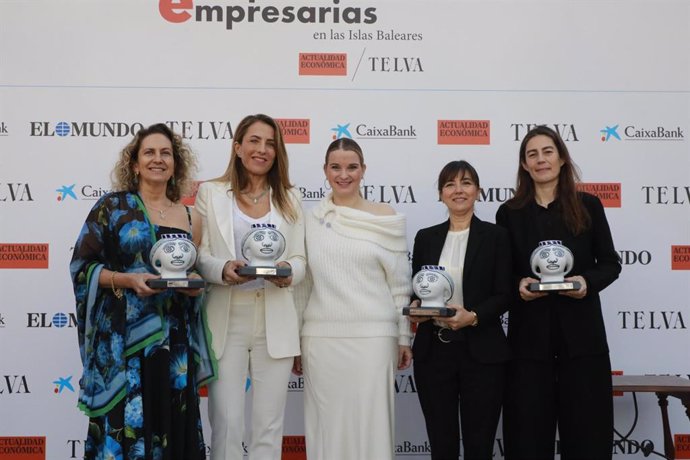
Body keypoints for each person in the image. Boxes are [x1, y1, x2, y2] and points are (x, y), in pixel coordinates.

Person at [70, 123, 216, 460]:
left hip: (174, 343)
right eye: (149, 152)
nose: (158, 159)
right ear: (134, 164)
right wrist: (127, 280)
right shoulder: (112, 209)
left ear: (175, 164)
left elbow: (190, 272)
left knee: (172, 425)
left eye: (166, 153)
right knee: (128, 426)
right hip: (124, 344)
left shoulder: (191, 218)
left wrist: (196, 288)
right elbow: (82, 267)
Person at [496, 125, 621, 460]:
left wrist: (585, 283)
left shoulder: (589, 205)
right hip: (528, 345)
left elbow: (610, 264)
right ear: (523, 164)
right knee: (526, 439)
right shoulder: (509, 213)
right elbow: (503, 275)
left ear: (562, 158)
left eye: (547, 152)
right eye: (532, 154)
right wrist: (518, 286)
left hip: (582, 341)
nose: (541, 160)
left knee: (588, 436)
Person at [194, 114, 306, 460]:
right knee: (226, 421)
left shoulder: (290, 197)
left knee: (269, 426)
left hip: (275, 317)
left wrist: (288, 270)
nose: (262, 149)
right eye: (254, 141)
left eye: (270, 143)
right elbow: (198, 254)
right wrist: (223, 269)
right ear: (238, 147)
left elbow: (301, 259)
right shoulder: (211, 193)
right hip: (226, 317)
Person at [295, 137, 413, 460]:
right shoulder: (311, 220)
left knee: (373, 428)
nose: (343, 174)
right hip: (321, 340)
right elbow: (303, 286)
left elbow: (400, 285)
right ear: (325, 170)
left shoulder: (384, 215)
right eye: (336, 167)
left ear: (363, 170)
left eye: (351, 167)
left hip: (374, 340)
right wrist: (295, 341)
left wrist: (404, 336)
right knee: (327, 428)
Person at [409, 160, 511, 460]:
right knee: (442, 443)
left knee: (479, 444)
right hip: (433, 353)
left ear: (478, 191)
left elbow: (505, 294)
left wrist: (474, 316)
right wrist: (416, 305)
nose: (458, 190)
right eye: (450, 184)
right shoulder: (425, 237)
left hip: (483, 353)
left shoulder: (496, 237)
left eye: (466, 183)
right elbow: (420, 289)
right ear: (441, 194)